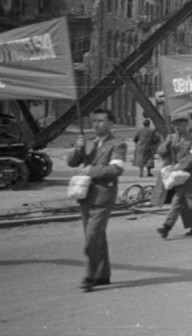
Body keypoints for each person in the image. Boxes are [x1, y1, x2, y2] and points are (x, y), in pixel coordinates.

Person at [67, 108, 127, 291]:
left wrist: (90, 171)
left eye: (101, 121)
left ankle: (90, 276)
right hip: (85, 195)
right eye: (93, 121)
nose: (96, 124)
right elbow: (71, 163)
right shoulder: (89, 143)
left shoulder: (118, 144)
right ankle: (102, 275)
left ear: (111, 124)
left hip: (103, 195)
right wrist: (78, 148)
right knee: (95, 235)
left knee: (93, 235)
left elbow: (116, 170)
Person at [155, 118, 192, 239]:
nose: (177, 127)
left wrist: (180, 165)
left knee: (177, 200)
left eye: (180, 124)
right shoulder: (171, 138)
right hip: (174, 175)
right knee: (185, 202)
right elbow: (160, 153)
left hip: (189, 174)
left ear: (186, 125)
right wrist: (166, 144)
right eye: (175, 125)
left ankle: (166, 227)